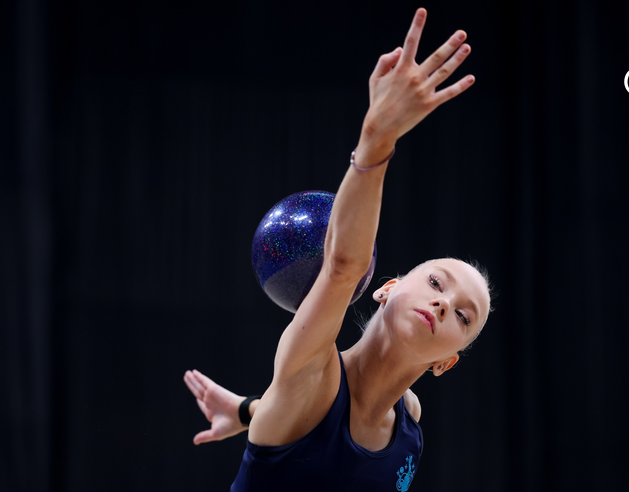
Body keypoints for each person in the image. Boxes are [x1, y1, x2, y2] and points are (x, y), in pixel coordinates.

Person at [183, 8, 492, 491]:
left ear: (445, 362)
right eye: (436, 282)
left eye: (464, 316)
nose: (444, 303)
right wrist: (377, 139)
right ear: (386, 289)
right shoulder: (313, 372)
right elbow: (344, 266)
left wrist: (246, 410)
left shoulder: (409, 418)